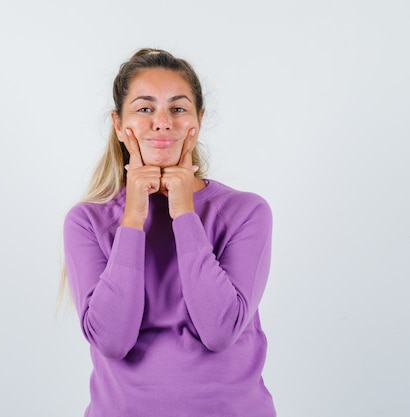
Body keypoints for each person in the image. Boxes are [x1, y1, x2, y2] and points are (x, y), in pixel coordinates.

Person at [62, 48, 276, 417]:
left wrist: (184, 214)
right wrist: (132, 218)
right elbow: (112, 340)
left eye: (177, 109)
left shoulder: (247, 212)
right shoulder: (87, 222)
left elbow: (220, 330)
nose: (162, 122)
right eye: (145, 109)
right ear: (119, 124)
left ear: (198, 121)